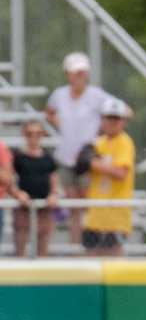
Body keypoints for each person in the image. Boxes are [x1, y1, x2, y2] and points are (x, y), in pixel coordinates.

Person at [44, 52, 111, 227]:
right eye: (75, 72)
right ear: (68, 73)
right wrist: (62, 126)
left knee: (86, 203)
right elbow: (49, 113)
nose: (79, 76)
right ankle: (77, 248)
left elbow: (120, 112)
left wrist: (101, 134)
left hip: (88, 158)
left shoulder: (97, 95)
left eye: (82, 72)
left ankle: (89, 243)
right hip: (66, 157)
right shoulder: (59, 94)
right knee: (73, 205)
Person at [81, 98, 135, 258]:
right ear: (102, 119)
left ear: (123, 121)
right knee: (91, 262)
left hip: (116, 217)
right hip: (95, 215)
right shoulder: (97, 143)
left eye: (116, 118)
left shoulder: (124, 142)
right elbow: (81, 168)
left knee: (113, 261)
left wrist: (93, 163)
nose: (112, 122)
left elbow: (121, 173)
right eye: (108, 117)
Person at [11, 119, 59, 257]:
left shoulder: (48, 158)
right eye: (30, 133)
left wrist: (54, 194)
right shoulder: (18, 157)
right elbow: (11, 180)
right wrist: (18, 193)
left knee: (43, 248)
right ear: (24, 134)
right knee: (20, 248)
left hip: (44, 207)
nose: (34, 137)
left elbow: (54, 181)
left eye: (38, 134)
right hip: (24, 207)